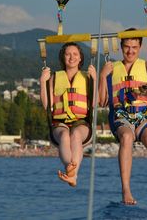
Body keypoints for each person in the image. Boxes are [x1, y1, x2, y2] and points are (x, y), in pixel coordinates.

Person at [98, 28, 147, 208]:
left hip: (144, 114)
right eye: (127, 47)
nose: (130, 51)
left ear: (140, 47)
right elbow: (101, 101)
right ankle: (126, 189)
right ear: (121, 47)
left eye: (134, 47)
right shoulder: (111, 68)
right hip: (121, 114)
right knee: (127, 137)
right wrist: (102, 76)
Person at [40, 42, 96, 187]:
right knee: (65, 136)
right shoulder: (55, 77)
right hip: (60, 122)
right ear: (63, 57)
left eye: (75, 54)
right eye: (68, 54)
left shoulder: (87, 77)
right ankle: (70, 169)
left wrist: (95, 80)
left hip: (82, 122)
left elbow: (95, 103)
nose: (72, 57)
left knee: (75, 135)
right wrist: (42, 82)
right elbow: (47, 106)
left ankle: (73, 175)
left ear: (80, 58)